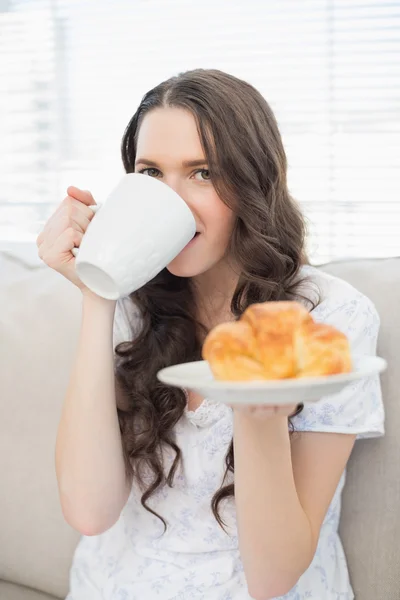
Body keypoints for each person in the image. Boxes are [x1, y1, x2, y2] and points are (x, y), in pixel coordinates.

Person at [37, 69, 384, 600]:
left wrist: (258, 403)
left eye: (202, 173)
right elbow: (89, 511)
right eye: (151, 173)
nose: (173, 200)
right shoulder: (133, 301)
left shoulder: (331, 317)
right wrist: (97, 294)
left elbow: (272, 578)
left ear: (252, 183)